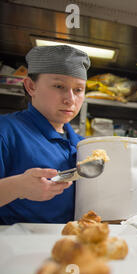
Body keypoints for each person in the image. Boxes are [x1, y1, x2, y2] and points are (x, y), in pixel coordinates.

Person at [0, 45, 90, 224]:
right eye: (59, 86)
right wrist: (17, 187)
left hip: (71, 245)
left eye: (78, 90)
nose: (70, 99)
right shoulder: (6, 131)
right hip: (16, 247)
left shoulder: (83, 145)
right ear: (31, 86)